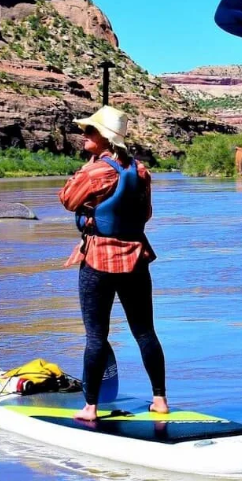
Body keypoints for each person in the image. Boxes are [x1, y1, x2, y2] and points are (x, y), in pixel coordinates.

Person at [58, 104, 168, 421]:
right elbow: (145, 214)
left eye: (89, 131)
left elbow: (67, 200)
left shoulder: (95, 172)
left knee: (96, 337)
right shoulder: (141, 170)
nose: (84, 135)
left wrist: (88, 170)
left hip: (98, 258)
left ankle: (90, 407)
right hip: (136, 258)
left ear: (104, 137)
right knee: (145, 332)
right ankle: (160, 399)